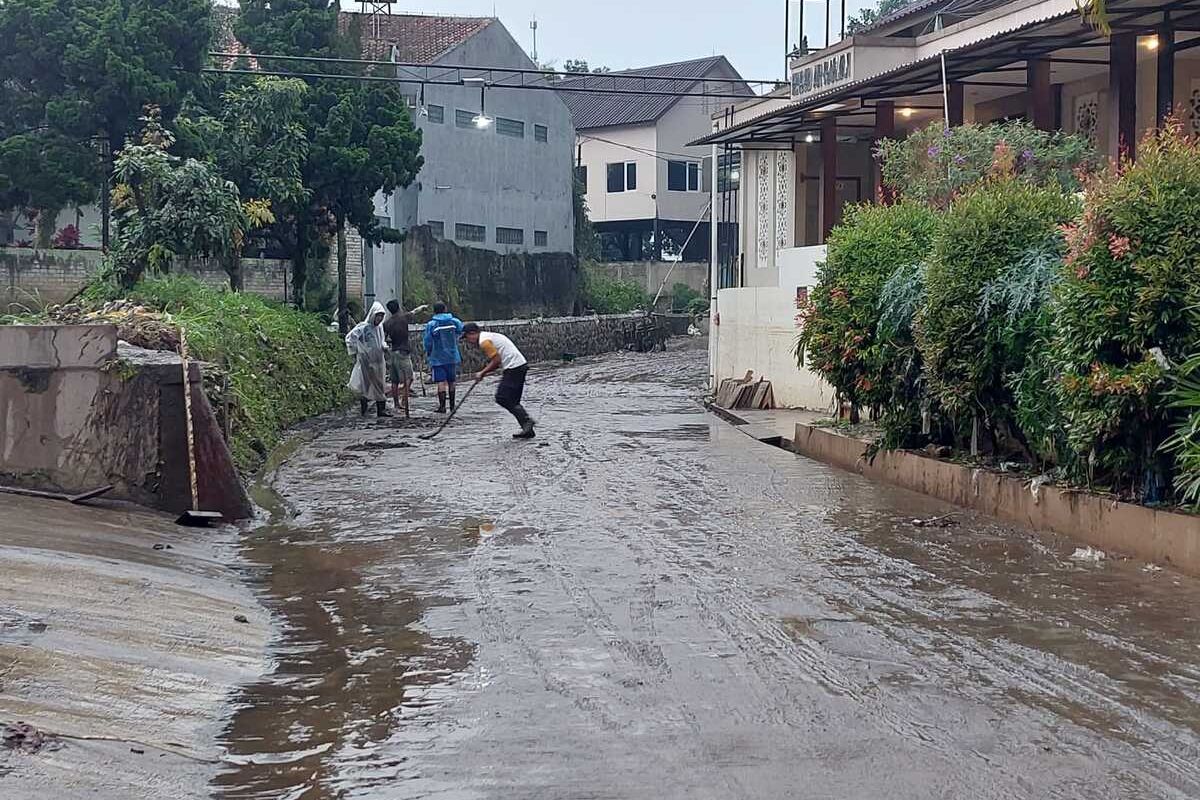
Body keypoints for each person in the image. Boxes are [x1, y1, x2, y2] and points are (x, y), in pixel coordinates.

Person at [462, 322, 535, 439]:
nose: (468, 341)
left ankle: (527, 422)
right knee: (513, 400)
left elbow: (496, 361)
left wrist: (482, 372)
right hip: (520, 365)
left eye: (467, 337)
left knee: (502, 398)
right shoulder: (489, 336)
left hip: (514, 367)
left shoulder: (484, 341)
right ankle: (528, 429)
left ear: (472, 333)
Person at [383, 300, 429, 417]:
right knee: (409, 378)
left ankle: (396, 403)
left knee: (394, 380)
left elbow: (384, 338)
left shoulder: (387, 323)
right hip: (403, 352)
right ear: (398, 307)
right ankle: (404, 399)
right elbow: (415, 312)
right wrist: (423, 307)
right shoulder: (404, 317)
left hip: (393, 352)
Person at [346, 301, 391, 418]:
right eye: (378, 316)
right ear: (373, 315)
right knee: (365, 384)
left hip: (379, 361)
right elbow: (350, 339)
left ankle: (381, 410)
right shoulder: (363, 327)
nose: (380, 319)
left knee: (380, 384)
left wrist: (384, 346)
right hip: (365, 361)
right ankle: (364, 409)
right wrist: (358, 350)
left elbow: (381, 341)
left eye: (382, 316)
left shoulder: (379, 328)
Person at [423, 302, 463, 414]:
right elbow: (461, 329)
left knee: (441, 382)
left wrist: (428, 351)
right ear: (445, 309)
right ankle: (452, 406)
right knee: (452, 381)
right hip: (452, 356)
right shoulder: (454, 321)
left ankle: (442, 407)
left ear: (434, 311)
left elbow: (427, 341)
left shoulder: (432, 324)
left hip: (437, 358)